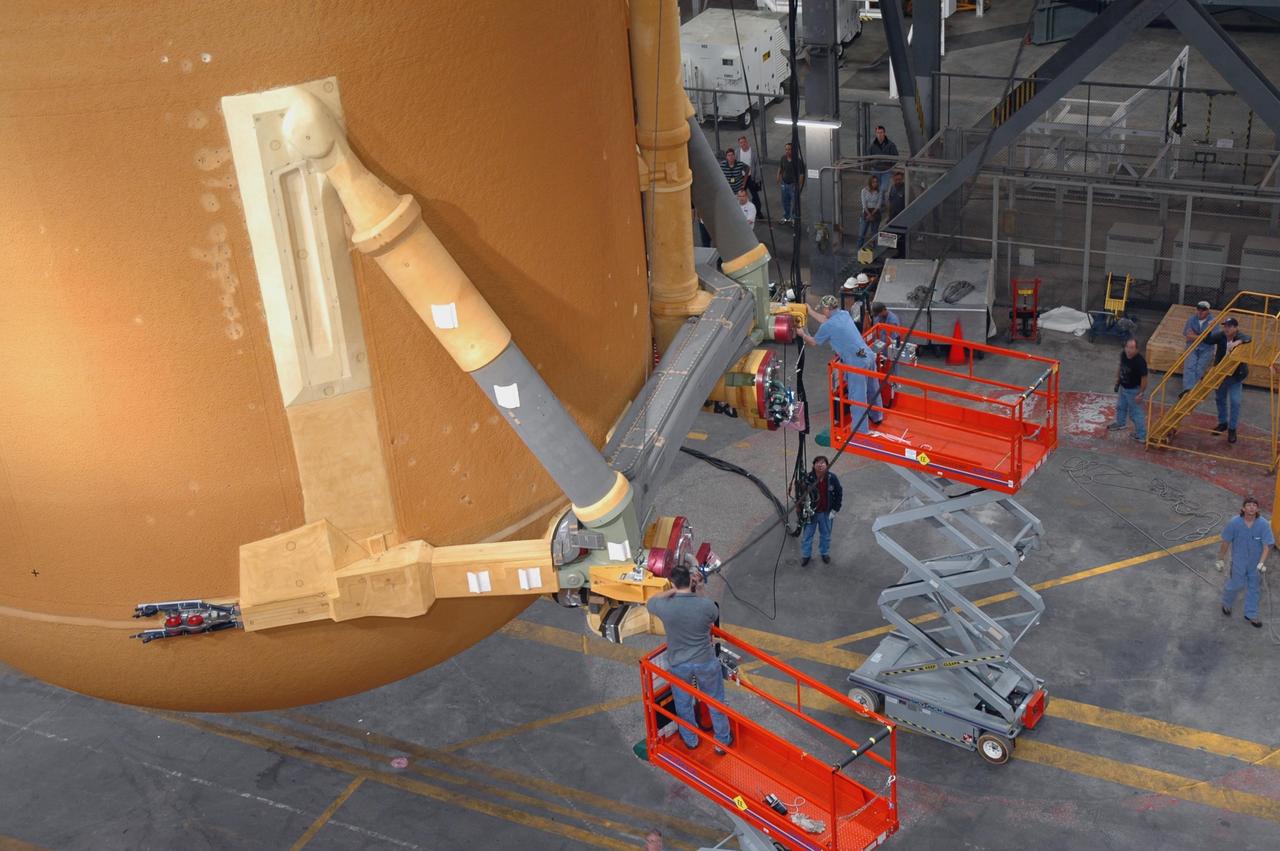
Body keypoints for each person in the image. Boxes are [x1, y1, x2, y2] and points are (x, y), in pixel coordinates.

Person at [645, 566, 733, 752]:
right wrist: (699, 588)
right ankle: (722, 741)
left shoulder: (665, 607)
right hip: (705, 660)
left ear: (673, 583)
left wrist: (673, 591)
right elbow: (713, 612)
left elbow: (650, 602)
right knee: (715, 700)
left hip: (679, 663)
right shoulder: (704, 606)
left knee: (683, 702)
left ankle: (691, 740)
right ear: (690, 580)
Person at [796, 295, 881, 432]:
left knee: (857, 397)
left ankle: (860, 430)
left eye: (823, 309)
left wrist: (802, 334)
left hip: (857, 363)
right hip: (867, 355)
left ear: (827, 309)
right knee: (873, 388)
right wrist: (810, 311)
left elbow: (813, 342)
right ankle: (877, 416)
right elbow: (826, 320)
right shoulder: (844, 314)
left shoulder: (828, 326)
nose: (823, 311)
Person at [1215, 495, 1272, 628]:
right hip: (1238, 562)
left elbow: (1267, 545)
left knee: (1254, 588)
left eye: (1254, 505)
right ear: (1243, 508)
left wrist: (1261, 562)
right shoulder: (1234, 523)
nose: (1252, 507)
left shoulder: (1263, 524)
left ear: (1257, 509)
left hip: (1255, 564)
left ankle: (1251, 614)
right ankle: (1227, 604)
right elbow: (1226, 542)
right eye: (1249, 505)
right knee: (1235, 584)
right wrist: (1220, 558)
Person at [1205, 317, 1252, 444]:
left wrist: (1237, 343)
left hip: (1235, 376)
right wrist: (1209, 328)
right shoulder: (1221, 335)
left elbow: (1248, 338)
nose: (1226, 329)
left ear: (1236, 328)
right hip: (1220, 374)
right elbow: (1207, 340)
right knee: (1219, 399)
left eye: (1229, 326)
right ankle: (1223, 423)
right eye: (1225, 326)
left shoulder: (1240, 336)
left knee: (1235, 402)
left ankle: (1232, 429)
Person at [798, 455, 843, 566]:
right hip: (811, 514)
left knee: (826, 535)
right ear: (814, 465)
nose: (820, 465)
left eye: (823, 463)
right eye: (817, 462)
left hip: (826, 513)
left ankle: (824, 553)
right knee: (807, 536)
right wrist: (802, 511)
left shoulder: (832, 478)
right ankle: (806, 555)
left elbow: (839, 493)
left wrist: (835, 509)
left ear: (827, 465)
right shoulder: (808, 479)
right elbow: (800, 495)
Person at [1106, 337, 1147, 442]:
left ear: (1137, 349)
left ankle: (1142, 435)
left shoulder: (1140, 362)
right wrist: (1117, 381)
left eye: (1132, 348)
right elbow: (1121, 366)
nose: (1129, 350)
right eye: (1127, 347)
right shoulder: (1123, 355)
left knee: (1136, 413)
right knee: (1121, 406)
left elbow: (1144, 378)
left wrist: (1140, 393)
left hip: (1133, 391)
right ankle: (1120, 423)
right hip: (1123, 387)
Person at [1180, 300, 1215, 397]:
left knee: (1200, 368)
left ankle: (1194, 391)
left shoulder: (1213, 321)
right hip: (1192, 346)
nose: (1200, 311)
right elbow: (1188, 336)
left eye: (1203, 310)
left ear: (1208, 311)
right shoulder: (1191, 319)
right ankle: (1187, 390)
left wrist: (1195, 335)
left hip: (1207, 349)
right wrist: (1203, 336)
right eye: (1199, 309)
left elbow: (1212, 339)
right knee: (1189, 367)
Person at [777, 142, 804, 225]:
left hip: (793, 186)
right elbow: (780, 168)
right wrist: (778, 177)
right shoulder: (783, 158)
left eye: (789, 149)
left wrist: (798, 186)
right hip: (784, 184)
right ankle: (786, 217)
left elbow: (801, 174)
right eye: (786, 149)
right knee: (785, 202)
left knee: (795, 203)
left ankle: (793, 219)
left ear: (793, 150)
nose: (787, 151)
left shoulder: (798, 161)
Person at [868, 126, 899, 197]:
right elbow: (868, 158)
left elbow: (896, 157)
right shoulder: (872, 146)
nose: (879, 134)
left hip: (886, 171)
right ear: (876, 134)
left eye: (881, 132)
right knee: (875, 188)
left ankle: (881, 202)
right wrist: (873, 165)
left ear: (884, 133)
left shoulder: (891, 145)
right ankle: (878, 202)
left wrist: (889, 165)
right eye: (878, 133)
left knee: (884, 189)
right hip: (876, 170)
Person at [737, 135, 762, 213]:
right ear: (739, 144)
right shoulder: (737, 152)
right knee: (741, 196)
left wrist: (757, 179)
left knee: (755, 196)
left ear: (747, 142)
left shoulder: (753, 152)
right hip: (741, 178)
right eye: (741, 142)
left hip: (751, 177)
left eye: (744, 142)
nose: (743, 144)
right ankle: (742, 211)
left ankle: (758, 212)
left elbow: (757, 165)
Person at [886, 170, 907, 258]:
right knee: (892, 233)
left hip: (902, 216)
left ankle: (902, 253)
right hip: (893, 215)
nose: (898, 181)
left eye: (899, 180)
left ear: (902, 179)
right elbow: (890, 201)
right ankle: (894, 249)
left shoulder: (906, 188)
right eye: (896, 180)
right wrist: (888, 216)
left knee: (902, 236)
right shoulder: (892, 187)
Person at [858, 175, 883, 248]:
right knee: (862, 233)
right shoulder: (864, 191)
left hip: (875, 212)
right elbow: (864, 204)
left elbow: (878, 205)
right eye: (873, 182)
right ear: (870, 182)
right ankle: (859, 249)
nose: (875, 183)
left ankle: (874, 250)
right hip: (866, 212)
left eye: (876, 182)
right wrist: (869, 215)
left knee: (874, 234)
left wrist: (872, 214)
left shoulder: (879, 191)